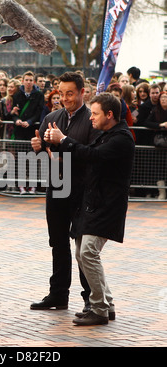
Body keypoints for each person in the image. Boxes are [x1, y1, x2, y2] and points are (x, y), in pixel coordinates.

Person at [44, 92, 135, 325]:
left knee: (88, 252)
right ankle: (106, 303)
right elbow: (85, 153)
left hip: (106, 206)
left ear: (110, 114)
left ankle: (100, 308)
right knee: (81, 253)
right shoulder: (107, 134)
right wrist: (53, 148)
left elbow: (92, 155)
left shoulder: (121, 138)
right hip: (92, 204)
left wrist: (64, 139)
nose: (91, 118)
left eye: (95, 114)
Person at [30, 72, 100, 312]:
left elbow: (93, 155)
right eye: (62, 93)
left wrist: (64, 143)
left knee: (82, 248)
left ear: (83, 92)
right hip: (57, 188)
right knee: (58, 243)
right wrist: (38, 147)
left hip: (81, 190)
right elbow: (43, 151)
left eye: (70, 93)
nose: (65, 98)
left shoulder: (93, 119)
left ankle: (91, 299)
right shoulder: (51, 116)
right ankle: (58, 294)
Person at [12, 70, 44, 195]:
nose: (29, 82)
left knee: (33, 159)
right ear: (23, 81)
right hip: (20, 131)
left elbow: (39, 112)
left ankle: (32, 186)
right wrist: (17, 120)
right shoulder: (17, 95)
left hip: (32, 130)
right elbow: (13, 113)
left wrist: (30, 121)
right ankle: (20, 185)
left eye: (31, 80)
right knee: (20, 159)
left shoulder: (39, 95)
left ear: (33, 82)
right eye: (27, 80)